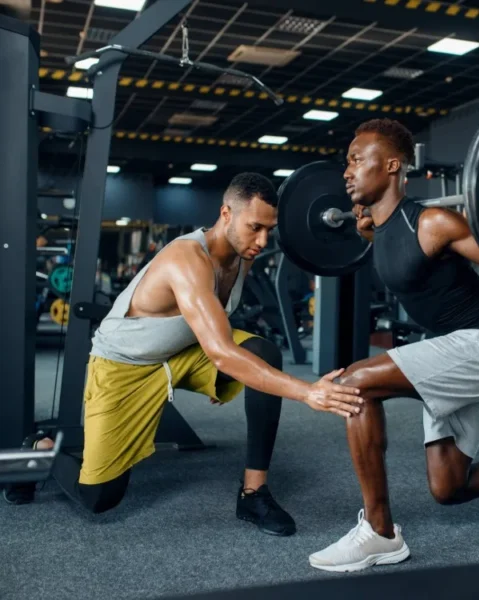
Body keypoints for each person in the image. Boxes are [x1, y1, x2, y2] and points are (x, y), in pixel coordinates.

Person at [3, 173, 365, 537]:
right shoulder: (187, 258)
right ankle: (42, 449)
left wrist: (361, 226)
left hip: (183, 350)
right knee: (98, 497)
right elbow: (223, 353)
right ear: (226, 214)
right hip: (124, 366)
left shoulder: (244, 254)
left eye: (269, 230)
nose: (263, 240)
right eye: (255, 227)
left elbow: (223, 330)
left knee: (263, 352)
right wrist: (307, 391)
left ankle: (254, 492)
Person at [308, 120, 479, 572]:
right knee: (449, 488)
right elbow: (387, 242)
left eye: (358, 160)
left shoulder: (434, 222)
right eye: (347, 162)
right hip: (454, 349)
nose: (347, 171)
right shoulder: (375, 228)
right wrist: (368, 229)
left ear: (394, 166)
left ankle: (379, 533)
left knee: (353, 384)